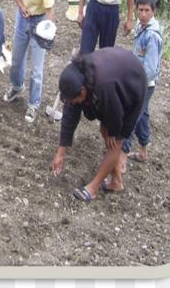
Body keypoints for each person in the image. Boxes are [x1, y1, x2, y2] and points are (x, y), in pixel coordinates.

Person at [52, 47, 148, 201]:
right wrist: (60, 154)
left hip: (133, 87)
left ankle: (94, 188)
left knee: (115, 141)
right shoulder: (77, 80)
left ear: (83, 91)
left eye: (73, 100)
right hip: (116, 83)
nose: (71, 103)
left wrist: (111, 130)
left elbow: (116, 116)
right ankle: (116, 181)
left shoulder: (103, 86)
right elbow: (70, 115)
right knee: (106, 133)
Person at [2, 0, 55, 124]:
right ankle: (17, 87)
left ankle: (33, 104)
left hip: (40, 17)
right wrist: (21, 5)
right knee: (16, 59)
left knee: (37, 69)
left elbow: (49, 6)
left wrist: (48, 31)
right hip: (23, 15)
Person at [121, 0, 163, 166]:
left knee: (131, 117)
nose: (143, 14)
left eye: (147, 10)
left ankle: (121, 162)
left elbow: (150, 69)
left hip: (145, 84)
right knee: (142, 114)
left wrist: (136, 85)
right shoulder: (141, 26)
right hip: (140, 81)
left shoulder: (152, 35)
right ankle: (143, 152)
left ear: (153, 11)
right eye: (140, 10)